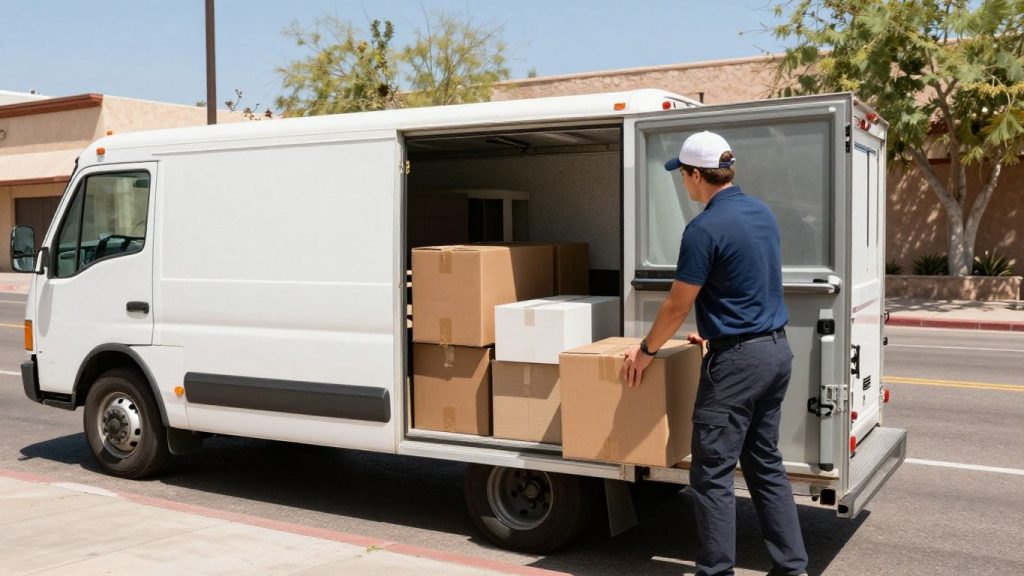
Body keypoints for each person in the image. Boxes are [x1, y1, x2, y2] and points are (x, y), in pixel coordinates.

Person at [621, 131, 808, 576]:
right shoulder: (761, 212)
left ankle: (716, 572)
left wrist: (647, 350)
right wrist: (716, 331)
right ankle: (792, 567)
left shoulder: (702, 228)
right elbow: (747, 281)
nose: (682, 184)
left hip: (738, 364)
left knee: (711, 476)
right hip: (774, 353)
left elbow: (677, 304)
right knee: (764, 466)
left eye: (682, 175)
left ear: (695, 174)